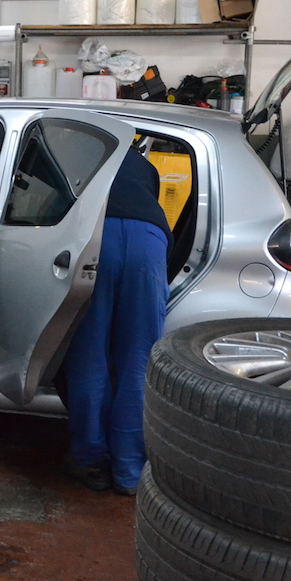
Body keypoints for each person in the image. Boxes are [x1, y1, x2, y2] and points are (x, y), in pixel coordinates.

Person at [61, 148, 172, 496]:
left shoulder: (79, 153)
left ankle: (92, 461)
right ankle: (129, 473)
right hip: (149, 239)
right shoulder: (145, 166)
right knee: (138, 359)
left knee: (89, 352)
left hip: (98, 236)